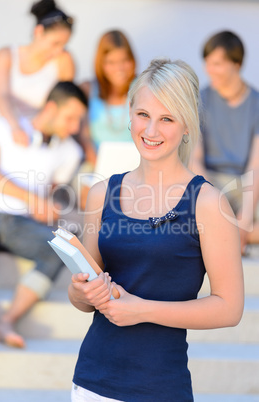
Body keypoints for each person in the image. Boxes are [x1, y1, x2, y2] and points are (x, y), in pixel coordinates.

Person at [68, 59, 244, 401]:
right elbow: (83, 299)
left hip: (160, 388)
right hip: (91, 383)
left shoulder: (208, 203)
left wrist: (141, 309)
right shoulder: (102, 193)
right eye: (143, 115)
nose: (151, 131)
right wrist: (82, 292)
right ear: (129, 114)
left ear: (187, 126)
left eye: (167, 119)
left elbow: (229, 307)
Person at [0, 81, 88, 348]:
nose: (75, 127)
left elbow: (52, 194)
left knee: (59, 250)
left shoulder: (70, 151)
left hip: (20, 223)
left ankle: (7, 321)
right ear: (50, 108)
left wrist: (49, 208)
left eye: (79, 120)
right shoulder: (1, 126)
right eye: (70, 118)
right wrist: (33, 199)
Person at [191, 30, 259, 254]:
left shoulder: (256, 103)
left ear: (236, 64)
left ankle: (232, 232)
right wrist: (217, 201)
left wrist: (246, 217)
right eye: (207, 63)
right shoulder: (202, 99)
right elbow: (195, 159)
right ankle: (236, 233)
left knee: (244, 219)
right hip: (213, 182)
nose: (209, 70)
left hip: (247, 185)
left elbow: (255, 166)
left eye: (217, 64)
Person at [0, 0, 75, 146]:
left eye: (64, 45)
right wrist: (16, 127)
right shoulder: (6, 55)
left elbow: (64, 101)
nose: (59, 50)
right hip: (6, 124)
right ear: (38, 32)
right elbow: (2, 96)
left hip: (41, 133)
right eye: (55, 43)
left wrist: (36, 129)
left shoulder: (64, 60)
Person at [78, 29, 137, 167]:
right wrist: (94, 160)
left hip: (136, 166)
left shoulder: (144, 87)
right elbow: (83, 134)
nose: (119, 68)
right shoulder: (88, 89)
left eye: (124, 60)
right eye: (111, 62)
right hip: (96, 164)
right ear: (101, 64)